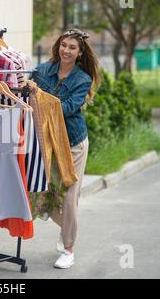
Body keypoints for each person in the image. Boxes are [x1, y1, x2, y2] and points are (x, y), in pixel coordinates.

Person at [31, 28, 101, 269]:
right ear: (58, 45)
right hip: (48, 143)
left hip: (73, 144)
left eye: (72, 47)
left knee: (70, 198)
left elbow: (68, 107)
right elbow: (26, 93)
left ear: (80, 52)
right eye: (64, 45)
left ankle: (69, 249)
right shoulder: (42, 71)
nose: (66, 50)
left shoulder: (83, 79)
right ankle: (69, 229)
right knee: (44, 196)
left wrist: (39, 98)